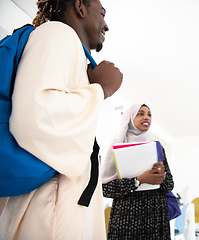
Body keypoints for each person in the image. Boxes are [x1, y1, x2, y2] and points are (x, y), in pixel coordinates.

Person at [0, 0, 123, 239]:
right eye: (102, 13)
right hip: (50, 210)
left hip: (55, 205)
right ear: (80, 6)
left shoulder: (67, 45)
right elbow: (38, 117)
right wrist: (102, 89)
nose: (106, 26)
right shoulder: (58, 32)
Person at [101, 103, 174, 240]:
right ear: (129, 118)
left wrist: (161, 176)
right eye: (141, 113)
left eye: (149, 114)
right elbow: (106, 190)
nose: (146, 117)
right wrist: (139, 180)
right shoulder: (117, 148)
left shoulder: (157, 147)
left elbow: (169, 186)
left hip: (156, 217)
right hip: (126, 220)